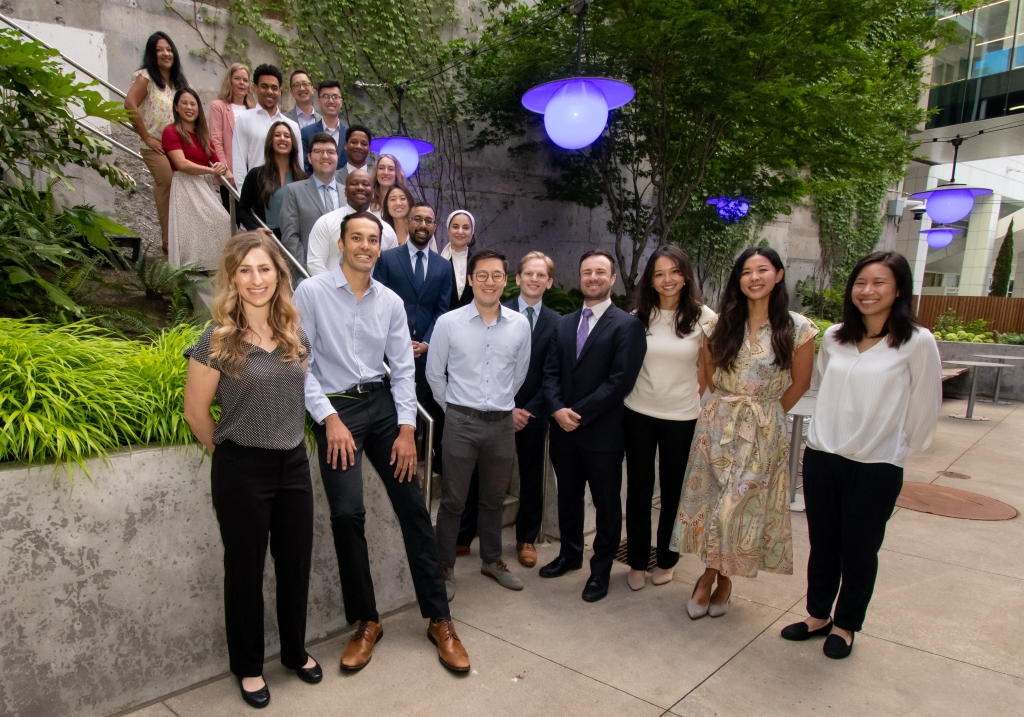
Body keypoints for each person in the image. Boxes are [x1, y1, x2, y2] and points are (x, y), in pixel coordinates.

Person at [293, 211, 470, 674]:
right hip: (335, 411)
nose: (366, 247)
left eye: (373, 239)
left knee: (413, 507)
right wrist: (327, 419)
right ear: (341, 243)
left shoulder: (390, 301)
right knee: (347, 514)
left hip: (382, 408)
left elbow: (402, 368)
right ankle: (367, 621)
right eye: (357, 238)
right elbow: (299, 364)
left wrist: (408, 428)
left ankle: (440, 619)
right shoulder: (310, 293)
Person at [183, 231, 321, 709]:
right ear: (233, 278)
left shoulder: (293, 332)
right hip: (242, 466)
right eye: (245, 271)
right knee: (243, 571)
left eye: (264, 269)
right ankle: (247, 666)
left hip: (294, 464)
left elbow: (295, 394)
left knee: (295, 565)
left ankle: (294, 652)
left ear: (278, 275)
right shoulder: (216, 340)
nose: (255, 279)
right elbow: (196, 413)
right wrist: (226, 456)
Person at [781, 251, 941, 659]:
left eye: (879, 283)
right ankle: (818, 615)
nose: (867, 291)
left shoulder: (915, 341)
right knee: (823, 543)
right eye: (860, 283)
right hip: (822, 456)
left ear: (899, 289)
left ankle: (847, 623)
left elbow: (925, 406)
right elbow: (818, 387)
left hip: (876, 464)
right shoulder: (835, 337)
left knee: (859, 547)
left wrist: (899, 448)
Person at [672, 247, 817, 620]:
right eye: (746, 271)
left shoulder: (798, 328)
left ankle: (709, 578)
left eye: (762, 270)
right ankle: (719, 578)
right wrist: (723, 408)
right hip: (717, 425)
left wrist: (767, 416)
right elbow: (706, 374)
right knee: (712, 507)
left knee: (738, 509)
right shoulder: (717, 325)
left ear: (779, 275)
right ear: (738, 279)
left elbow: (800, 383)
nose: (754, 277)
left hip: (763, 429)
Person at [539, 249, 647, 603]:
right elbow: (550, 372)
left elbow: (619, 383)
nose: (593, 278)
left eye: (601, 272)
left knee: (605, 503)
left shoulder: (628, 326)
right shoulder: (564, 323)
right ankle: (570, 555)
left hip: (602, 432)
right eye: (587, 272)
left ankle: (600, 570)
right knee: (568, 497)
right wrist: (556, 410)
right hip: (563, 431)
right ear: (580, 276)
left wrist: (576, 412)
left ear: (612, 278)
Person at [427, 249, 532, 600]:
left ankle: (492, 559)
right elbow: (434, 374)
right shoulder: (448, 323)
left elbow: (518, 374)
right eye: (482, 275)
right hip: (460, 423)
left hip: (501, 425)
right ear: (470, 279)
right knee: (454, 500)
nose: (490, 282)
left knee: (493, 498)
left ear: (506, 280)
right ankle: (444, 566)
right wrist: (456, 409)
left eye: (497, 276)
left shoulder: (519, 325)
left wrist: (497, 404)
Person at [456, 252, 559, 566]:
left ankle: (526, 538)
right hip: (493, 409)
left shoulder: (558, 324)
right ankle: (463, 534)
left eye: (541, 275)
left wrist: (528, 410)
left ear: (549, 282)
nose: (534, 279)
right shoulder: (495, 312)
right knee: (477, 473)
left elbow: (554, 373)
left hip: (533, 414)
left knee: (531, 476)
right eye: (528, 273)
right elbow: (482, 364)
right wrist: (506, 407)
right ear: (518, 278)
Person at [623, 246, 716, 591]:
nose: (667, 280)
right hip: (638, 413)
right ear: (651, 278)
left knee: (673, 492)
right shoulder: (638, 315)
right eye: (659, 273)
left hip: (682, 417)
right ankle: (635, 561)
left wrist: (689, 393)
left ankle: (666, 559)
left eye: (674, 272)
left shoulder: (704, 318)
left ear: (686, 275)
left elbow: (708, 369)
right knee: (638, 490)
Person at [373, 201, 452, 476]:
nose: (422, 225)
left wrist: (427, 342)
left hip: (426, 353)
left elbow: (443, 310)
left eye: (428, 221)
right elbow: (378, 304)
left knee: (424, 409)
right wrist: (398, 341)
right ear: (408, 223)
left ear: (434, 226)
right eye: (417, 219)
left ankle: (420, 464)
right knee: (395, 410)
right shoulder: (387, 258)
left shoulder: (444, 267)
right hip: (392, 351)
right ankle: (394, 463)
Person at [125, 31, 189, 253]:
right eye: (160, 50)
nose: (165, 53)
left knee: (184, 187)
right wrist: (146, 137)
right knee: (167, 181)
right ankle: (168, 243)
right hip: (156, 146)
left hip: (179, 145)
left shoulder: (178, 82)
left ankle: (183, 241)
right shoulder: (146, 77)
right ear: (152, 54)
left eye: (169, 49)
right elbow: (129, 105)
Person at [162, 88, 231, 271]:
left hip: (203, 184)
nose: (189, 107)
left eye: (193, 104)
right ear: (176, 107)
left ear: (199, 109)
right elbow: (182, 164)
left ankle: (209, 265)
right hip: (185, 183)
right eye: (184, 103)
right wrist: (211, 169)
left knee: (219, 221)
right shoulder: (170, 132)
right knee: (194, 227)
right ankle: (191, 266)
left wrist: (221, 167)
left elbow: (217, 161)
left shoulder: (203, 136)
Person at [305, 169, 400, 275]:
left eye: (365, 184)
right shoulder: (326, 222)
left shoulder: (387, 230)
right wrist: (333, 290)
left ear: (373, 193)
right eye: (354, 184)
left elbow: (392, 268)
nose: (360, 187)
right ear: (345, 191)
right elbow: (315, 264)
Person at [279, 132, 344, 267]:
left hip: (345, 274)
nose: (325, 156)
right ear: (309, 157)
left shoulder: (347, 193)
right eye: (318, 151)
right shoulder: (294, 191)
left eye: (330, 152)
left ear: (337, 157)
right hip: (308, 273)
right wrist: (307, 270)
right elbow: (290, 237)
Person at [231, 64, 300, 185]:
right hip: (257, 191)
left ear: (279, 91)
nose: (269, 91)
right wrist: (245, 198)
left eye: (274, 88)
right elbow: (239, 163)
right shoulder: (244, 119)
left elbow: (299, 165)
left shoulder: (291, 126)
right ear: (255, 88)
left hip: (287, 193)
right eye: (264, 86)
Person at [237, 121, 305, 239]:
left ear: (292, 142)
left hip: (296, 241)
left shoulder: (302, 178)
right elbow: (243, 209)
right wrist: (255, 229)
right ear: (270, 141)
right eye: (277, 135)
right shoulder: (256, 175)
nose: (282, 138)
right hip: (268, 241)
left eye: (287, 136)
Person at [209, 62, 255, 209]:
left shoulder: (253, 109)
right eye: (237, 78)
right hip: (231, 174)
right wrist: (226, 170)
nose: (242, 83)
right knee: (233, 218)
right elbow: (215, 140)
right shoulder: (218, 106)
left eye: (245, 80)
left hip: (252, 172)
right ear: (230, 80)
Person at [301, 80, 348, 174]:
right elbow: (305, 168)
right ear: (319, 101)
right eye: (326, 96)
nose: (331, 101)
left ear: (341, 102)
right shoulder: (306, 133)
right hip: (313, 187)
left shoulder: (349, 135)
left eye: (335, 97)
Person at [381, 184, 437, 251]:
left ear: (410, 203)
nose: (398, 203)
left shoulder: (423, 231)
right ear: (387, 206)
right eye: (393, 199)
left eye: (402, 198)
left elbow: (433, 258)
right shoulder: (382, 231)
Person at [441, 210, 476, 309]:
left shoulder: (477, 264)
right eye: (455, 227)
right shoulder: (438, 264)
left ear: (472, 232)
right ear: (448, 230)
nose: (460, 231)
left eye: (465, 227)